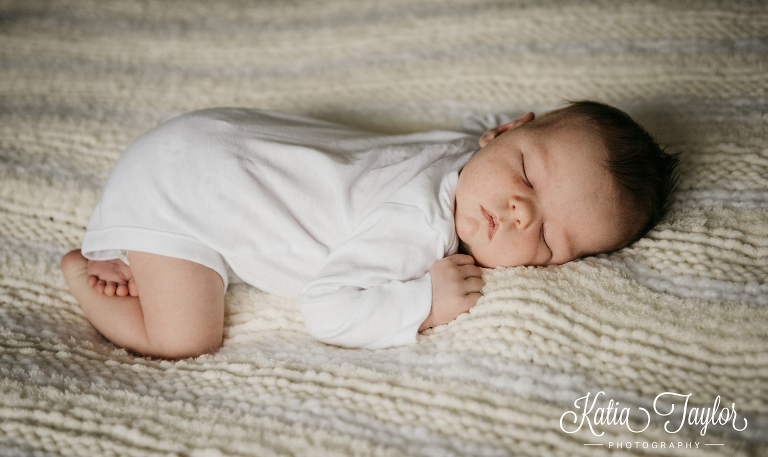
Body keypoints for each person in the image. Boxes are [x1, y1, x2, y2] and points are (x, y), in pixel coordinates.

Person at [60, 101, 679, 358]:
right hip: (181, 195)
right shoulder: (419, 225)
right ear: (506, 131)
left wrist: (516, 155)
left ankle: (133, 257)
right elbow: (325, 308)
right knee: (185, 338)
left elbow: (508, 156)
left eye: (546, 241)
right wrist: (425, 303)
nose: (518, 212)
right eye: (526, 173)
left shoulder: (463, 153)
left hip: (201, 140)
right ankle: (85, 273)